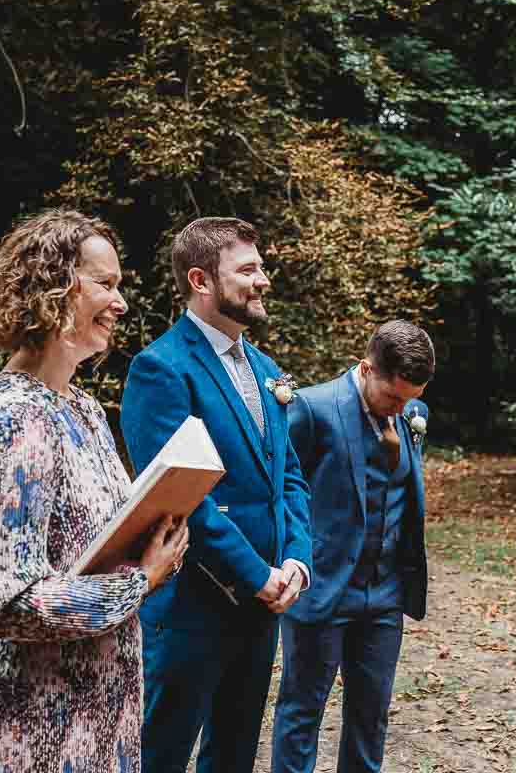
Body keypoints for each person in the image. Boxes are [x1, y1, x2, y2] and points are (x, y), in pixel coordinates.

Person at [0, 209, 189, 773]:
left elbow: (92, 545)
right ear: (53, 287)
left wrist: (159, 533)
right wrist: (139, 581)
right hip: (32, 728)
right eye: (105, 284)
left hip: (100, 719)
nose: (121, 302)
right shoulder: (14, 421)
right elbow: (6, 601)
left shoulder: (81, 409)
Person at [120, 217, 312, 773]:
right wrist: (257, 575)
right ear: (201, 280)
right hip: (191, 612)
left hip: (262, 609)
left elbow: (290, 479)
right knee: (161, 757)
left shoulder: (267, 369)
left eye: (262, 267)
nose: (263, 280)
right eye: (248, 269)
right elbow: (181, 500)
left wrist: (296, 561)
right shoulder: (161, 369)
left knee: (232, 758)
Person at [271, 320, 435, 773]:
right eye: (393, 397)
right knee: (301, 713)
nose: (402, 409)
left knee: (371, 716)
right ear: (366, 369)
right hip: (323, 588)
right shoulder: (312, 408)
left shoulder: (409, 413)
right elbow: (285, 492)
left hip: (384, 596)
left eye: (410, 400)